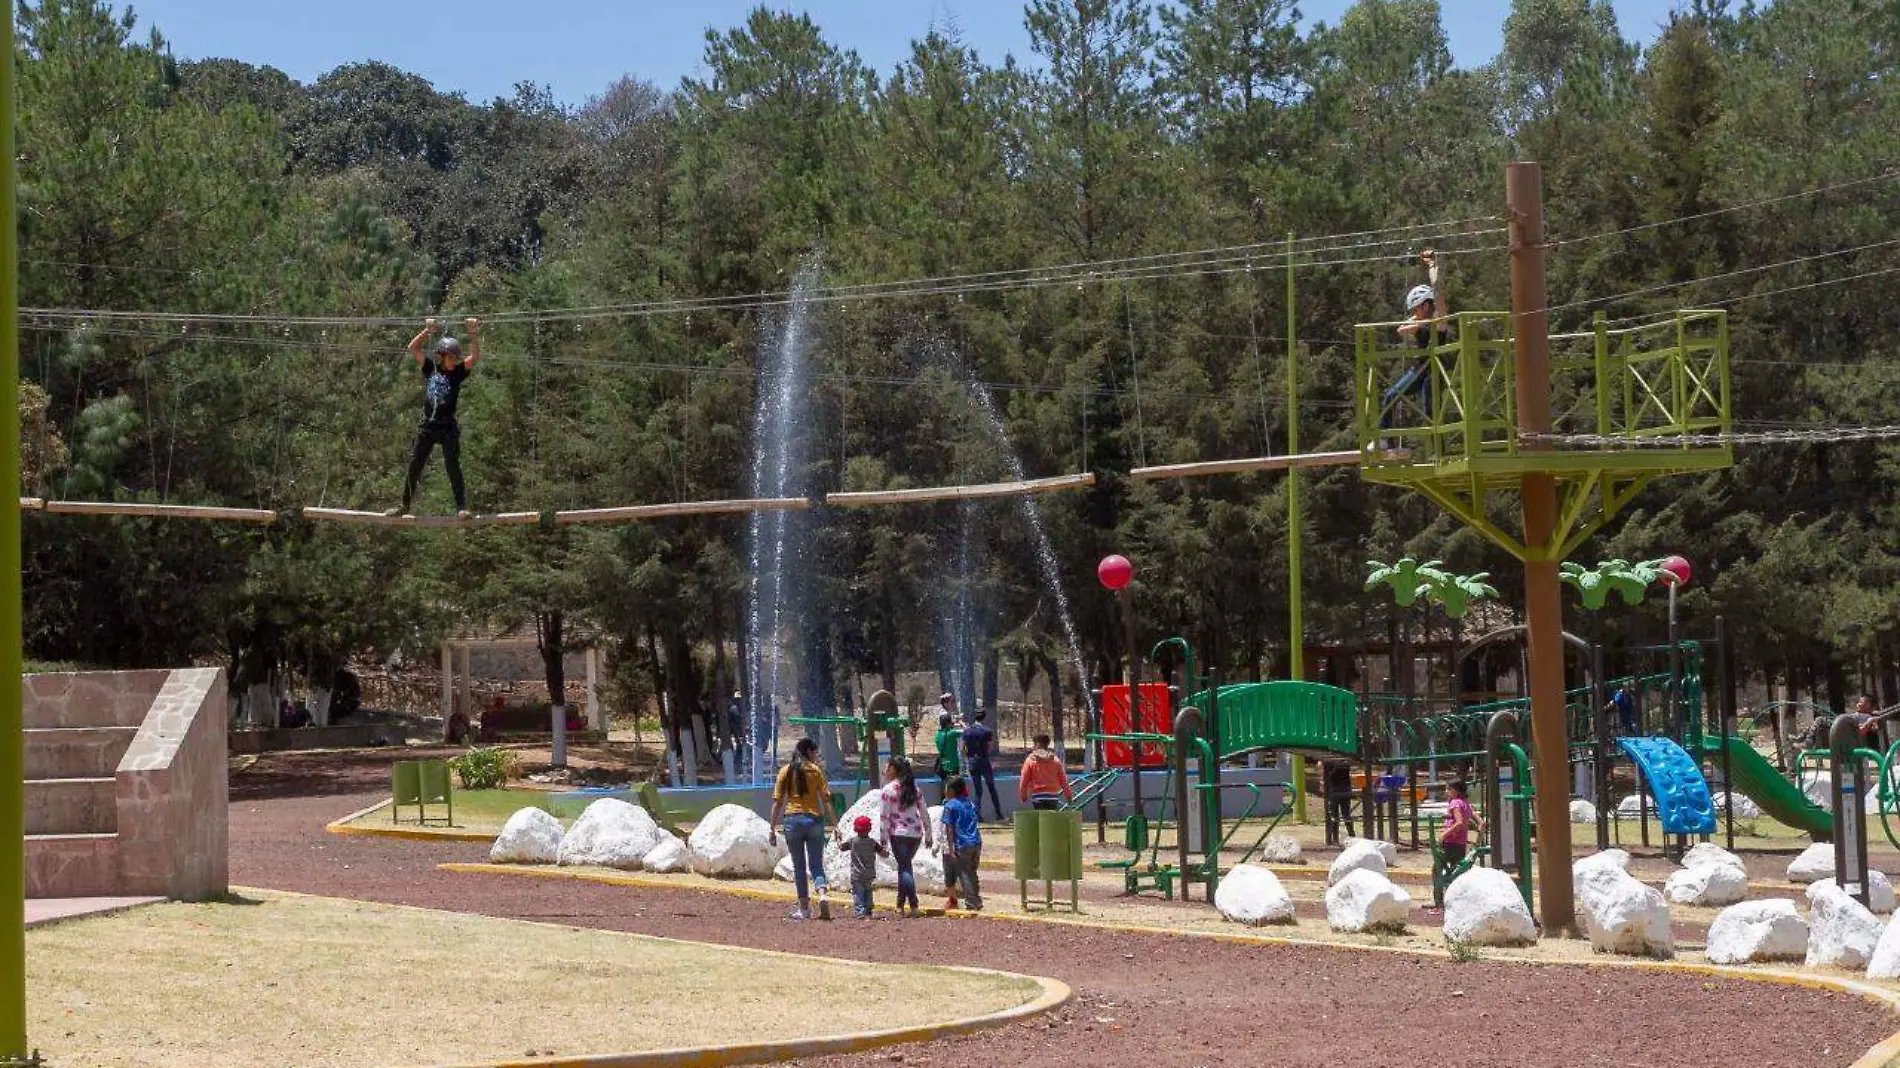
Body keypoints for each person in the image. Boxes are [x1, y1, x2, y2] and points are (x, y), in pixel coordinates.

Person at [389, 317, 482, 519]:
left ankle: (461, 508)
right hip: (428, 426)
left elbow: (474, 358)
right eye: (451, 358)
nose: (454, 361)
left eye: (456, 358)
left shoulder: (458, 373)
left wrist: (473, 333)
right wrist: (428, 331)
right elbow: (413, 347)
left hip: (448, 427)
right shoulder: (430, 368)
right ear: (441, 356)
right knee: (415, 463)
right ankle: (404, 505)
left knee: (452, 465)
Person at [1379, 249, 1448, 444]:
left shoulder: (1440, 322)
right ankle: (1385, 440)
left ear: (1426, 305)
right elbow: (1401, 330)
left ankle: (1438, 451)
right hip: (1418, 371)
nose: (1415, 312)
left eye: (1417, 308)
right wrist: (1418, 322)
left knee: (1430, 412)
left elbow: (1438, 290)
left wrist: (1433, 266)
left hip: (1434, 373)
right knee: (1390, 395)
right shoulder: (1420, 323)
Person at [768, 737, 834, 920]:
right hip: (814, 820)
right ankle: (822, 895)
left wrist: (772, 828)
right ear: (809, 752)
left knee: (799, 866)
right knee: (816, 864)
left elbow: (777, 802)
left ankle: (804, 909)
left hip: (792, 821)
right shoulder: (815, 771)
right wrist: (835, 825)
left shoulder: (785, 771)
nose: (817, 756)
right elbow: (826, 800)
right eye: (815, 752)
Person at [878, 756, 934, 917]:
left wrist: (883, 839)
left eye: (888, 767)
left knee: (904, 869)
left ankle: (914, 904)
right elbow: (924, 811)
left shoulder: (888, 790)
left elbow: (884, 817)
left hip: (898, 834)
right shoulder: (914, 788)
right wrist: (928, 833)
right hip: (915, 833)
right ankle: (900, 904)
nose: (886, 770)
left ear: (894, 770)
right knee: (905, 867)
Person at [939, 775, 983, 911]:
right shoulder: (970, 803)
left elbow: (949, 828)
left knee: (964, 874)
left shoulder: (949, 806)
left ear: (951, 790)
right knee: (972, 872)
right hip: (976, 842)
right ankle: (977, 900)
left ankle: (972, 903)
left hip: (962, 843)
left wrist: (951, 848)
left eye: (947, 788)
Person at [839, 814, 886, 919]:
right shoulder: (872, 843)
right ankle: (868, 910)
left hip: (856, 874)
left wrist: (838, 839)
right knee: (868, 891)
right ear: (869, 828)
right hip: (869, 873)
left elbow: (841, 847)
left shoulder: (852, 841)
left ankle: (860, 911)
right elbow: (884, 854)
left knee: (858, 893)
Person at [962, 708, 1002, 821]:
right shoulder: (987, 731)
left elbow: (962, 748)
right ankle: (998, 813)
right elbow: (989, 748)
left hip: (972, 763)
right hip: (984, 761)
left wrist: (969, 757)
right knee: (991, 788)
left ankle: (977, 815)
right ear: (984, 717)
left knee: (978, 790)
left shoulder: (967, 731)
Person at [1440, 778, 1484, 873]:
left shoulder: (1455, 803)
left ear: (1457, 790)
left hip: (1450, 841)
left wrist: (1444, 835)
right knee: (1457, 870)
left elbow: (1459, 822)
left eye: (1449, 789)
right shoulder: (1466, 804)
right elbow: (1481, 822)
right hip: (1461, 842)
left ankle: (1439, 887)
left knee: (1438, 869)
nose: (1446, 792)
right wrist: (1477, 841)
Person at [1018, 734, 1072, 810]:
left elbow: (1024, 780)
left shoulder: (1030, 761)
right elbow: (1063, 779)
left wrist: (1023, 795)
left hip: (1037, 796)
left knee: (1041, 820)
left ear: (1036, 744)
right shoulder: (1055, 760)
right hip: (1053, 796)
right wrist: (1068, 795)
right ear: (1048, 744)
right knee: (1050, 820)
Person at [933, 700, 963, 789]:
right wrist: (961, 723)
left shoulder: (938, 735)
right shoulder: (952, 734)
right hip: (953, 766)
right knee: (955, 788)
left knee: (945, 787)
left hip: (943, 766)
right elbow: (967, 731)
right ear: (948, 723)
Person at [1324, 759, 1356, 839]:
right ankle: (1333, 838)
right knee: (1334, 815)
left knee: (1345, 814)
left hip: (1343, 790)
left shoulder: (1344, 762)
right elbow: (1329, 776)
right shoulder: (1329, 762)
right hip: (1335, 790)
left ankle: (1352, 835)